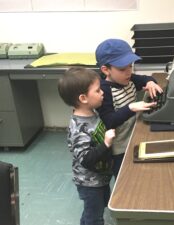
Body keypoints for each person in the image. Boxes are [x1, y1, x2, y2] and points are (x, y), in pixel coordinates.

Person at [95, 38, 163, 178]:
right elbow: (109, 121)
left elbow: (144, 79)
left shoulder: (128, 78)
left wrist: (150, 82)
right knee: (125, 178)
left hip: (133, 136)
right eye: (122, 69)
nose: (128, 72)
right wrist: (130, 108)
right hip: (119, 149)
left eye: (130, 66)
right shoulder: (104, 91)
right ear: (106, 70)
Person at [57, 67, 115, 225]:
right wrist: (106, 143)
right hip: (89, 182)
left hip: (101, 177)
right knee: (93, 217)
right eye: (97, 91)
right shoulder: (78, 128)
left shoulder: (92, 113)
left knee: (102, 205)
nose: (102, 93)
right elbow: (86, 159)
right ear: (83, 98)